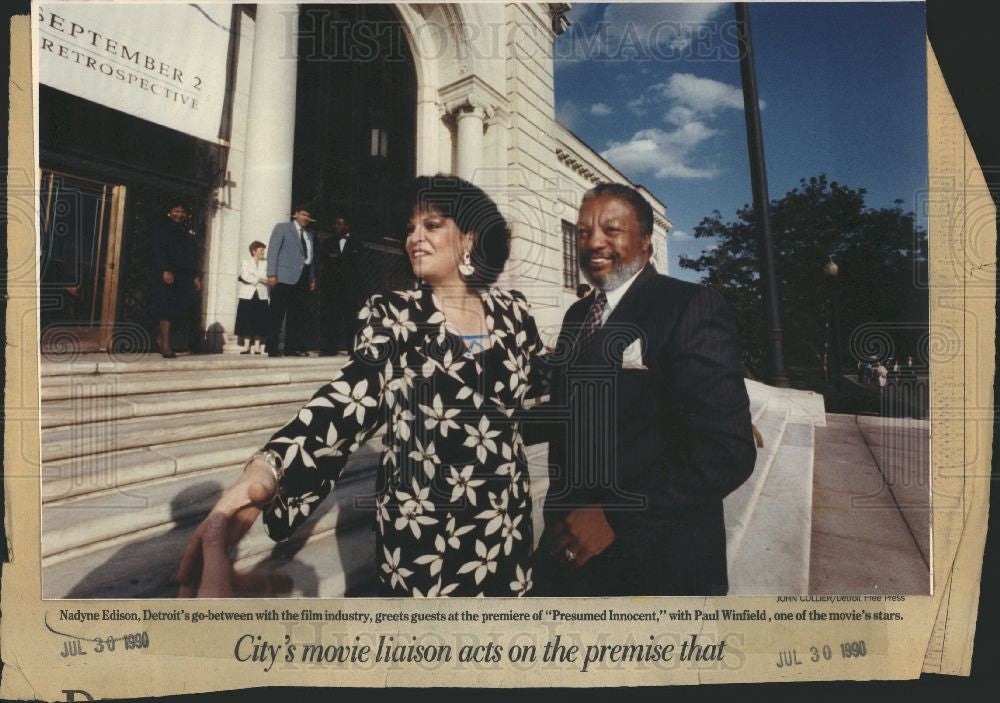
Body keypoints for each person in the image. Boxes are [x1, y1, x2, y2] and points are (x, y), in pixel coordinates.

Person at [179, 175, 548, 597]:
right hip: (424, 534)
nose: (414, 238)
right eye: (410, 228)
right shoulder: (393, 315)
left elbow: (548, 385)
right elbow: (348, 399)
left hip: (506, 522)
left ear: (468, 238)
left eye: (431, 225)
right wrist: (269, 470)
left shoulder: (514, 314)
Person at [533, 183, 756, 596]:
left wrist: (613, 517)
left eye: (612, 230)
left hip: (659, 562)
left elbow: (727, 452)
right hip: (569, 551)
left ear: (646, 242)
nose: (594, 242)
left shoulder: (691, 305)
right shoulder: (577, 315)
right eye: (583, 232)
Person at [151, 201, 202, 358]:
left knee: (178, 309)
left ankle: (168, 341)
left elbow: (191, 255)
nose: (179, 214)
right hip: (169, 273)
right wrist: (165, 270)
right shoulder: (163, 228)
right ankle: (165, 344)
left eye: (182, 212)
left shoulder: (186, 231)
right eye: (176, 211)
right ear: (170, 212)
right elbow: (159, 250)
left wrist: (195, 275)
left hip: (184, 275)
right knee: (166, 308)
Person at [266, 207, 317, 357]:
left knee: (297, 315)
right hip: (283, 277)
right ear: (295, 215)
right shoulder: (283, 228)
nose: (305, 217)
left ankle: (291, 348)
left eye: (308, 215)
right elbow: (273, 251)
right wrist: (271, 273)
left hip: (302, 278)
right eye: (303, 214)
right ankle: (272, 347)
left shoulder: (309, 234)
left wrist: (311, 277)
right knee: (277, 313)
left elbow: (310, 258)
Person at [320, 216, 364, 356]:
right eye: (335, 223)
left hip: (350, 288)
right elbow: (323, 265)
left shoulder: (357, 243)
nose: (336, 226)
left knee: (350, 319)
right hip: (332, 288)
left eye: (340, 223)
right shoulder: (328, 242)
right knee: (331, 317)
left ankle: (352, 348)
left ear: (347, 226)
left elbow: (360, 268)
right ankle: (330, 348)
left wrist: (359, 290)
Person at [235, 241, 270, 354]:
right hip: (247, 295)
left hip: (262, 294)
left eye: (263, 250)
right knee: (246, 319)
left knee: (260, 319)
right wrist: (259, 279)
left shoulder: (266, 263)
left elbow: (268, 277)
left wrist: (255, 277)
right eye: (261, 250)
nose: (263, 252)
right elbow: (244, 276)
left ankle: (257, 346)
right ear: (254, 251)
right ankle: (246, 346)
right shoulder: (245, 262)